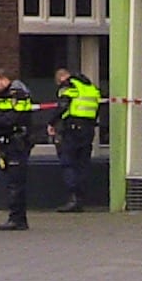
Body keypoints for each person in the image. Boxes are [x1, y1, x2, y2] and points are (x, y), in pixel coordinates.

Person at [49, 67, 101, 212]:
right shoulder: (90, 87)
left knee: (68, 162)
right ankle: (80, 199)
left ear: (61, 78)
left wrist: (51, 122)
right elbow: (96, 109)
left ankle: (73, 198)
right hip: (88, 129)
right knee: (82, 164)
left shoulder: (69, 85)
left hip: (72, 129)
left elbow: (62, 106)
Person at [0, 71, 33, 231]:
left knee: (16, 182)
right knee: (13, 182)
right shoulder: (5, 95)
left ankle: (17, 219)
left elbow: (12, 119)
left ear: (4, 78)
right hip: (10, 143)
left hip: (17, 143)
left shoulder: (17, 95)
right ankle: (16, 217)